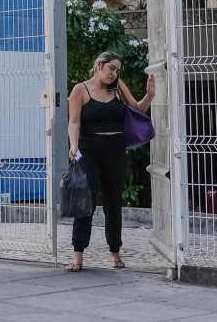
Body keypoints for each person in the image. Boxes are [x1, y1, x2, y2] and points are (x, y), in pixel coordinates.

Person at [64, 51, 154, 271]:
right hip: (89, 151)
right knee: (86, 202)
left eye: (117, 70)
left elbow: (138, 110)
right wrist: (73, 145)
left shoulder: (119, 88)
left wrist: (149, 95)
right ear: (98, 65)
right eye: (111, 68)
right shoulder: (80, 90)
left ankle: (115, 252)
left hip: (115, 150)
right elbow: (74, 122)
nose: (114, 73)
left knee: (113, 203)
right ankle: (78, 255)